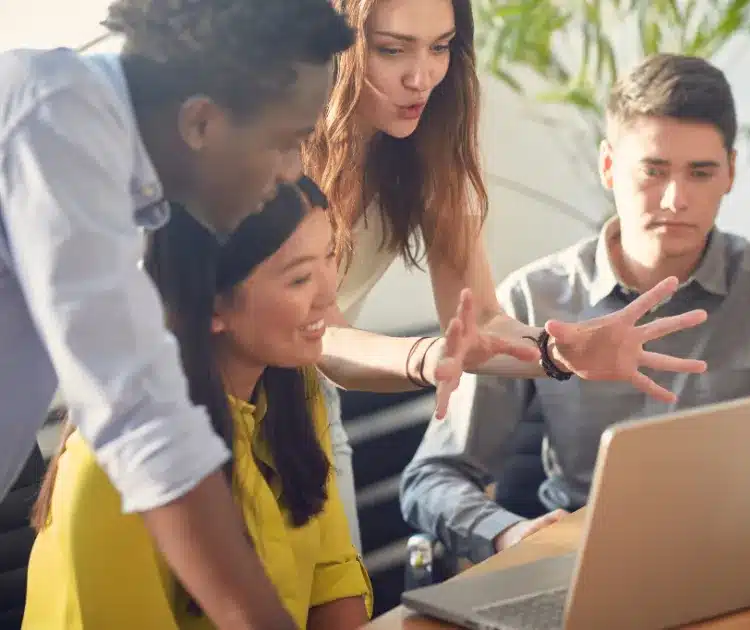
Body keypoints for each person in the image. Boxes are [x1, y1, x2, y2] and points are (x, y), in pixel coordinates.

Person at [399, 53, 750, 562]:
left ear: (731, 172)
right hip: (584, 562)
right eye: (653, 171)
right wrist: (507, 534)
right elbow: (433, 476)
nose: (675, 199)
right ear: (608, 166)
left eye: (700, 172)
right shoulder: (533, 298)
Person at [0, 1, 353, 627]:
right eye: (283, 141)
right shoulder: (55, 119)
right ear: (201, 122)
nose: (293, 171)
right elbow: (142, 418)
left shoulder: (118, 184)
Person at [304, 0, 709, 543]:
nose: (422, 76)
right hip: (215, 402)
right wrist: (428, 356)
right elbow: (318, 335)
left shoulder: (429, 144)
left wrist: (558, 351)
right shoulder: (284, 146)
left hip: (308, 408)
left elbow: (483, 320)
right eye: (392, 49)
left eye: (441, 47)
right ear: (338, 42)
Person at [25, 179, 372, 629]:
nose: (329, 295)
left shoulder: (294, 392)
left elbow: (332, 579)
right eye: (300, 278)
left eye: (331, 257)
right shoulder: (112, 470)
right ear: (210, 305)